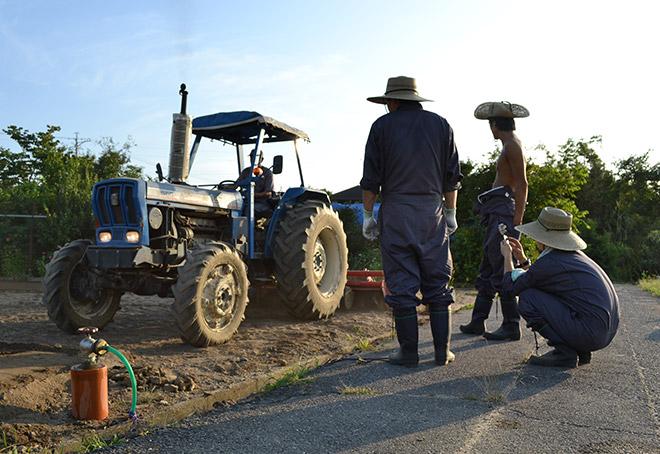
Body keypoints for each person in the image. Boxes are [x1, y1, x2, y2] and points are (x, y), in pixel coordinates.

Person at [360, 76, 463, 367]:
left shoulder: (381, 127)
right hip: (432, 212)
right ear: (416, 99)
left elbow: (371, 178)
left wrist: (368, 215)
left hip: (396, 213)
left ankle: (409, 352)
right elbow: (451, 177)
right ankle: (442, 351)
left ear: (392, 101)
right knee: (438, 282)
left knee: (402, 283)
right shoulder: (441, 125)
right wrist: (451, 212)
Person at [499, 207, 620, 367]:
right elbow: (538, 278)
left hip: (590, 334)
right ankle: (579, 350)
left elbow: (511, 287)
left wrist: (507, 257)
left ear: (542, 238)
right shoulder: (572, 257)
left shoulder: (550, 262)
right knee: (543, 293)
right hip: (602, 333)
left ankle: (564, 352)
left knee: (528, 298)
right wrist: (522, 260)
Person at [459, 101, 529, 341]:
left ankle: (511, 324)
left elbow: (522, 183)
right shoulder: (508, 145)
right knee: (489, 266)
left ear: (495, 125)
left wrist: (517, 220)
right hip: (495, 210)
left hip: (504, 213)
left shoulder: (512, 145)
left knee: (501, 265)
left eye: (491, 124)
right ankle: (478, 321)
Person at [235, 150, 274, 218]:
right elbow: (236, 185)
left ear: (261, 159)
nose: (252, 159)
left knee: (249, 210)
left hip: (262, 202)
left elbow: (268, 192)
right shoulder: (246, 172)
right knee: (235, 207)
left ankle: (245, 227)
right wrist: (224, 187)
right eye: (251, 157)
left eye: (255, 157)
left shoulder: (267, 172)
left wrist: (253, 195)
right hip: (245, 201)